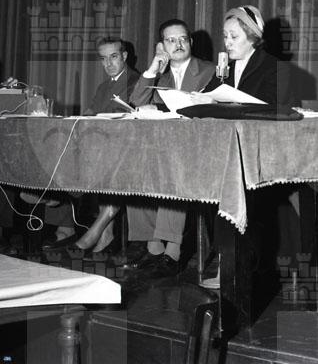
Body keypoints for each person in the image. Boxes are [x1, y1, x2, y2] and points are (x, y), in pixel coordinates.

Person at [200, 5, 295, 288]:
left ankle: (236, 266)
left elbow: (271, 111)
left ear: (252, 37)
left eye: (234, 37)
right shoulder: (224, 69)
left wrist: (226, 102)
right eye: (225, 36)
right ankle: (225, 257)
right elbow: (205, 97)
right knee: (206, 182)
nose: (227, 43)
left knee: (233, 188)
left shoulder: (274, 67)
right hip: (229, 151)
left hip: (262, 152)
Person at [123, 19, 215, 276]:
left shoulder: (209, 70)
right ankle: (153, 247)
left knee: (171, 170)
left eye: (183, 39)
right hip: (164, 147)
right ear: (162, 45)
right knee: (134, 168)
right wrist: (154, 65)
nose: (178, 44)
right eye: (171, 40)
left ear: (191, 42)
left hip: (198, 149)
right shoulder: (160, 77)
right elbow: (137, 100)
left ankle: (172, 252)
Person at [44, 37, 140, 257]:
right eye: (103, 59)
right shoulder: (104, 86)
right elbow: (91, 112)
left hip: (124, 146)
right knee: (60, 144)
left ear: (124, 56)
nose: (108, 63)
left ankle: (61, 196)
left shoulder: (135, 80)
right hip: (100, 143)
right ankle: (59, 196)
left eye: (113, 57)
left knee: (89, 158)